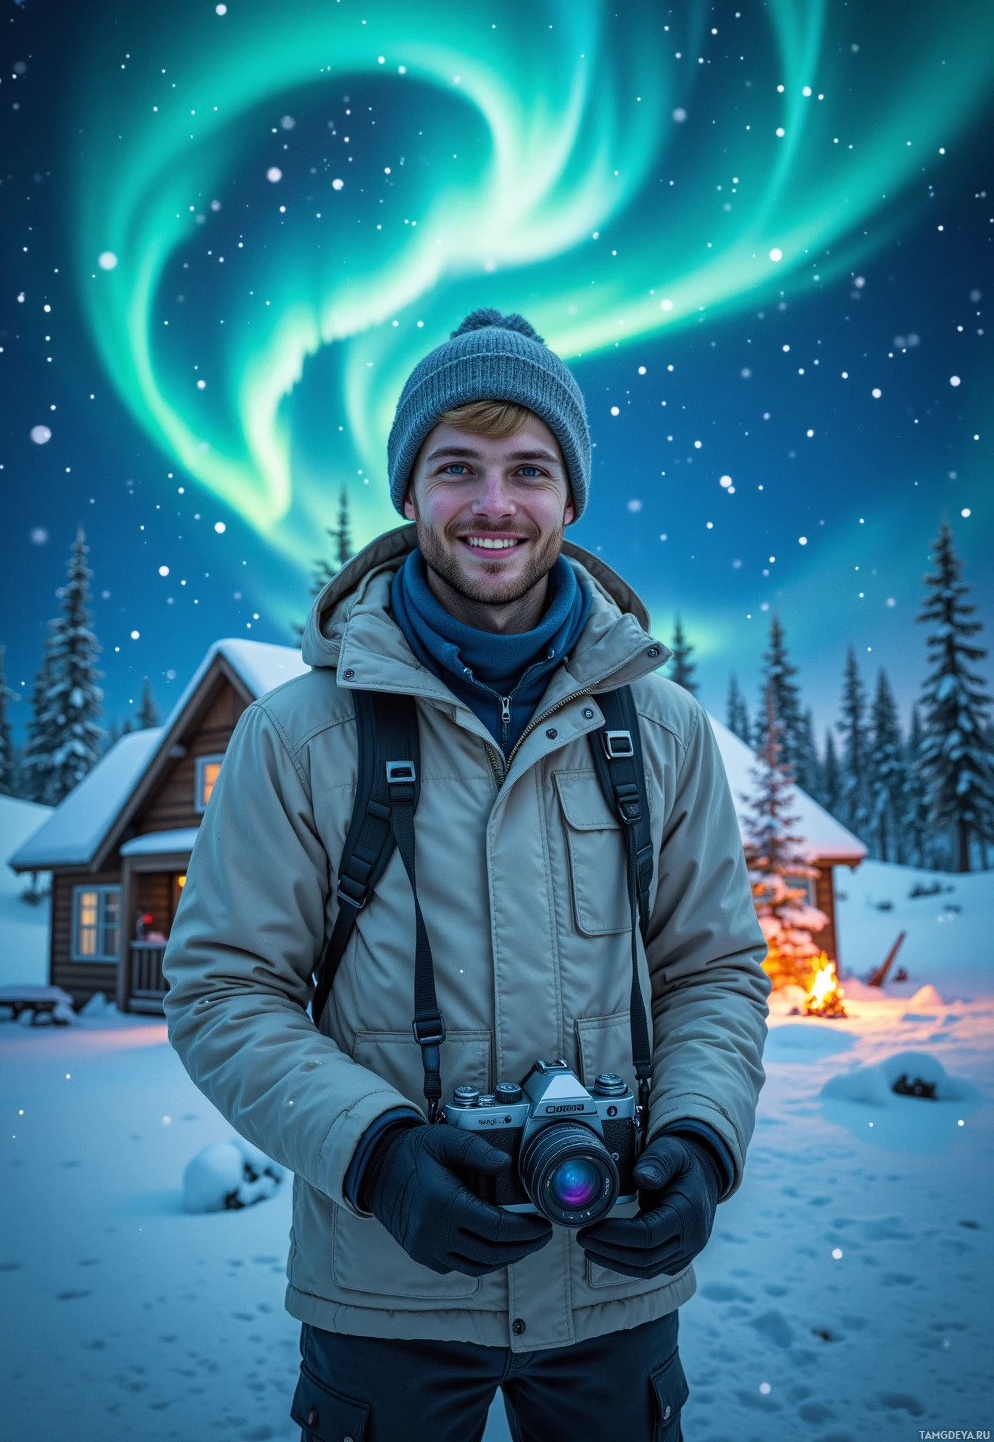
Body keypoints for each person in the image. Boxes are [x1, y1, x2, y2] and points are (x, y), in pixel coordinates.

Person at [164, 308, 770, 1441]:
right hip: (383, 1290)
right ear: (410, 492)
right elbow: (219, 991)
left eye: (528, 470)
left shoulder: (665, 732)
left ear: (570, 498)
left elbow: (716, 971)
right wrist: (378, 1154)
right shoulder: (298, 736)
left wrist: (698, 1138)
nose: (494, 506)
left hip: (612, 1282)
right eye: (458, 467)